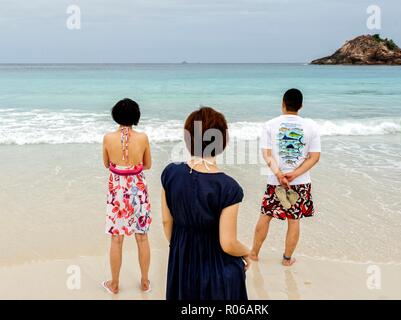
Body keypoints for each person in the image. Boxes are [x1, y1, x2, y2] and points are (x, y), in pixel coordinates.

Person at [161, 106, 250, 300]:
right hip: (216, 267)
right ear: (222, 142)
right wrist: (247, 252)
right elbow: (228, 244)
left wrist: (182, 248)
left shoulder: (170, 173)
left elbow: (167, 223)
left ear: (188, 139)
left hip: (182, 259)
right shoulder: (228, 187)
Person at [250, 88, 321, 266]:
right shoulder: (311, 126)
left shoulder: (270, 124)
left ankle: (254, 254)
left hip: (276, 181)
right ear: (301, 106)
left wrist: (279, 174)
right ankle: (287, 259)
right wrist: (295, 174)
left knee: (265, 216)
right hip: (300, 182)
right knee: (294, 220)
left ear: (282, 104)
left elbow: (267, 155)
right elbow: (315, 157)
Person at [102, 98, 152, 294]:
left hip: (117, 189)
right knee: (142, 237)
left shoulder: (107, 138)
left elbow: (106, 164)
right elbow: (147, 165)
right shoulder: (143, 138)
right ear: (136, 117)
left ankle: (114, 284)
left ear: (116, 116)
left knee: (116, 239)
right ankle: (145, 282)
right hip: (137, 188)